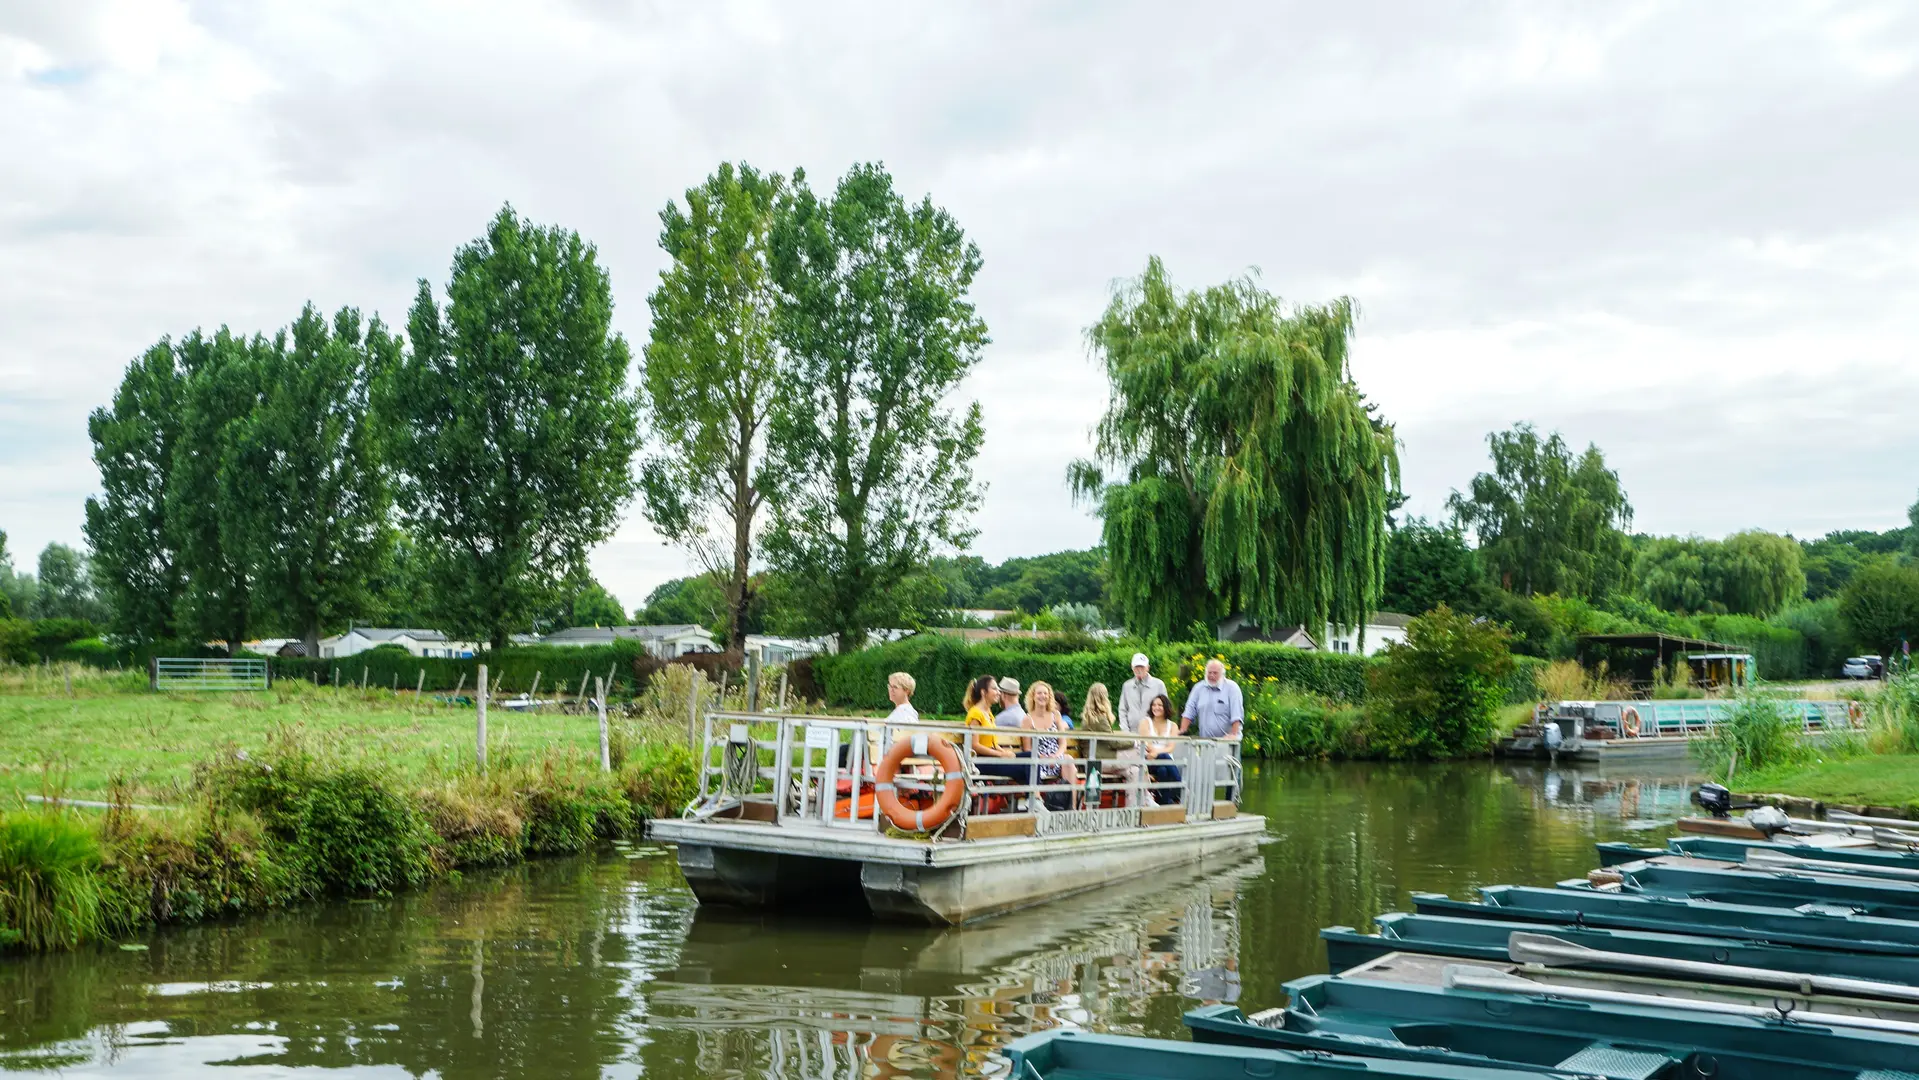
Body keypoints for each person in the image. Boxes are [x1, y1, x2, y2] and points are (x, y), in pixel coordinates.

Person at [1018, 681, 1078, 810]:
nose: (1042, 696)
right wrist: (1043, 758)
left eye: (1045, 693)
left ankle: (1071, 809)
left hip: (1056, 758)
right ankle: (1047, 807)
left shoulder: (1056, 715)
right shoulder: (1027, 720)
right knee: (1039, 765)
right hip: (1038, 760)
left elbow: (1063, 743)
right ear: (1033, 696)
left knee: (1068, 760)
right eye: (1039, 693)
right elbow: (1027, 749)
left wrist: (1055, 756)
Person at [965, 674, 1027, 787]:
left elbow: (992, 743)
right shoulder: (976, 713)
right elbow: (975, 745)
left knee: (1031, 756)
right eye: (994, 688)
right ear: (983, 692)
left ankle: (1035, 799)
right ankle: (1034, 799)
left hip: (992, 758)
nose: (999, 692)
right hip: (981, 761)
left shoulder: (989, 714)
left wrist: (1005, 753)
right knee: (1027, 767)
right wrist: (1000, 754)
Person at [1180, 659, 1243, 740]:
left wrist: (1233, 734)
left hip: (1227, 741)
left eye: (1215, 673)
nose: (1212, 675)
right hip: (1205, 741)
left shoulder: (1232, 688)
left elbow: (1237, 715)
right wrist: (1182, 730)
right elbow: (1189, 711)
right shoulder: (1198, 688)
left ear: (1222, 674)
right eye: (1209, 673)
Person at [1139, 693, 1181, 805]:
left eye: (1160, 705)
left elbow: (1171, 748)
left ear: (1166, 707)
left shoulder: (1173, 726)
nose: (1156, 707)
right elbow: (1147, 745)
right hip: (1149, 760)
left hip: (1165, 762)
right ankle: (1179, 784)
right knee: (1164, 756)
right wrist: (1158, 753)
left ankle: (1165, 800)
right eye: (1154, 705)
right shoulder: (1145, 722)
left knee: (1163, 769)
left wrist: (1157, 753)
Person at [1117, 653, 1168, 734]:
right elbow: (1122, 709)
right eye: (1136, 667)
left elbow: (1165, 709)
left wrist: (1159, 730)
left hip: (1152, 732)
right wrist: (1125, 731)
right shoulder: (1127, 686)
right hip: (1131, 733)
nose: (1139, 669)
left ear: (1148, 668)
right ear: (1132, 668)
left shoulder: (1159, 685)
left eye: (1142, 667)